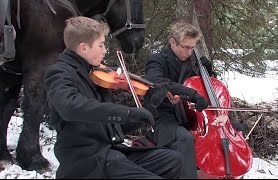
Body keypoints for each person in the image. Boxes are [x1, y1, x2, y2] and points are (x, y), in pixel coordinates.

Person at [44, 16, 183, 179]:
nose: (105, 51)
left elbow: (110, 127)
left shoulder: (94, 73)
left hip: (110, 152)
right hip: (86, 160)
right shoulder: (59, 73)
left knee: (172, 160)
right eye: (101, 45)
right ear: (83, 48)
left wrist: (148, 109)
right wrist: (127, 113)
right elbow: (70, 107)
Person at [143, 22, 215, 179]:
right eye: (186, 47)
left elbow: (205, 91)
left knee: (235, 129)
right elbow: (158, 81)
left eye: (192, 47)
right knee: (185, 138)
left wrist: (208, 74)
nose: (189, 52)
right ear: (172, 42)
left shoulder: (193, 63)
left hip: (188, 116)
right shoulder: (157, 60)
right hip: (162, 117)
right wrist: (192, 94)